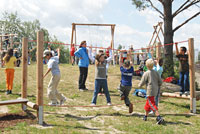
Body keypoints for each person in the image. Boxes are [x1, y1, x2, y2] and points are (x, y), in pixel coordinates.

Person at [138, 59, 164, 124]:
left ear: (146, 65)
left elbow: (142, 81)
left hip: (150, 91)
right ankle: (145, 116)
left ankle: (158, 117)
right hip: (156, 90)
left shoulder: (146, 73)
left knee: (152, 104)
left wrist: (139, 86)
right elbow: (160, 82)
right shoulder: (156, 72)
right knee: (148, 103)